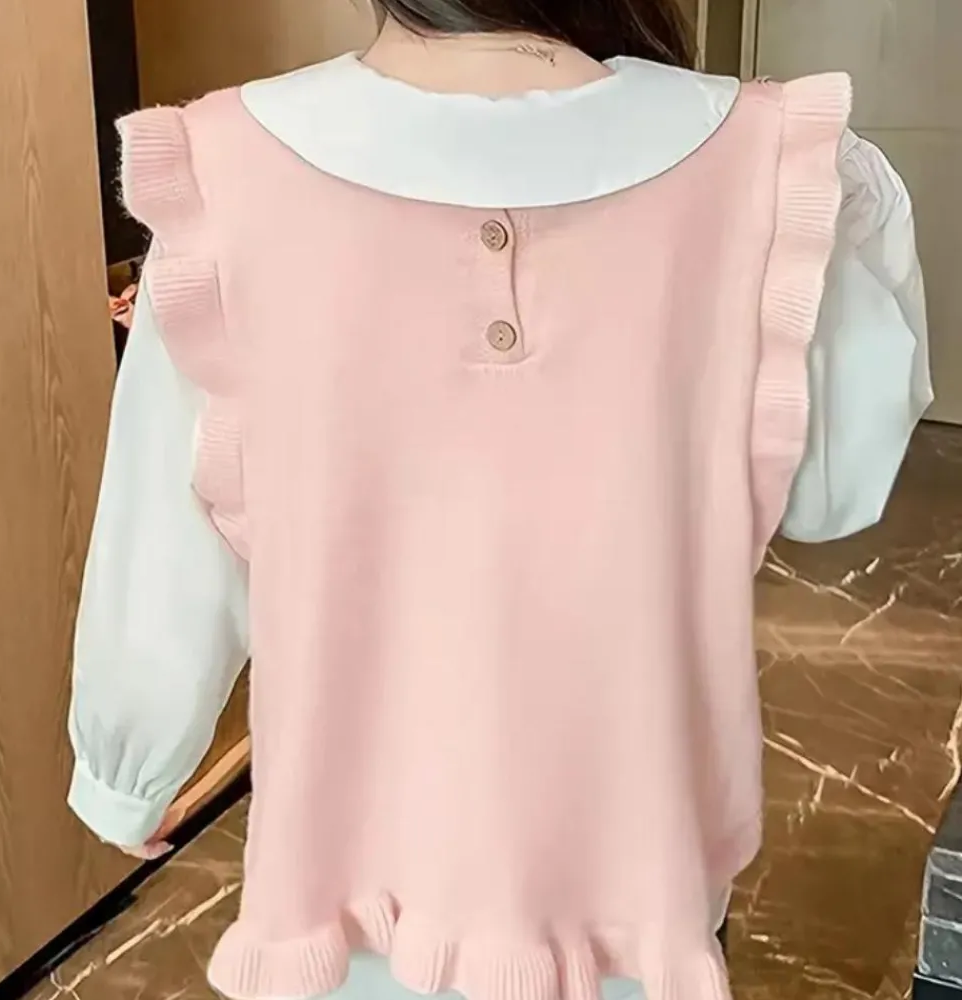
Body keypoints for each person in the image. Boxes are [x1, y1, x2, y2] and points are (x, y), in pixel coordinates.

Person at [67, 2, 932, 999]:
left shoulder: (229, 170)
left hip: (348, 897)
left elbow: (168, 538)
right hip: (638, 893)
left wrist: (128, 769)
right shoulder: (767, 157)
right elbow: (834, 491)